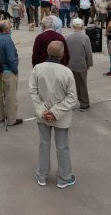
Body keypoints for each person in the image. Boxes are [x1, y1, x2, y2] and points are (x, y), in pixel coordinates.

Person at [29, 40, 78, 188]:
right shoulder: (67, 72)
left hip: (43, 115)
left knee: (44, 144)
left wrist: (43, 111)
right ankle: (64, 177)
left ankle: (42, 175)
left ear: (47, 52)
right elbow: (72, 97)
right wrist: (55, 112)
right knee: (62, 146)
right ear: (62, 54)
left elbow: (33, 92)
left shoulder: (38, 69)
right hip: (61, 117)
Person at [0, 20, 23, 126]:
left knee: (0, 94)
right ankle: (11, 120)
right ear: (6, 30)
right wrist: (15, 70)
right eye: (10, 28)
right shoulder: (8, 40)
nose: (10, 29)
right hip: (8, 72)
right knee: (10, 96)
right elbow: (11, 59)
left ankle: (0, 116)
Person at [65, 19, 93, 112]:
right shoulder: (85, 37)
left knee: (68, 86)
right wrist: (89, 64)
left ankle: (68, 104)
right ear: (82, 26)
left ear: (72, 26)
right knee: (82, 85)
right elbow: (88, 52)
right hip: (81, 64)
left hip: (69, 64)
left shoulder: (67, 37)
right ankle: (84, 104)